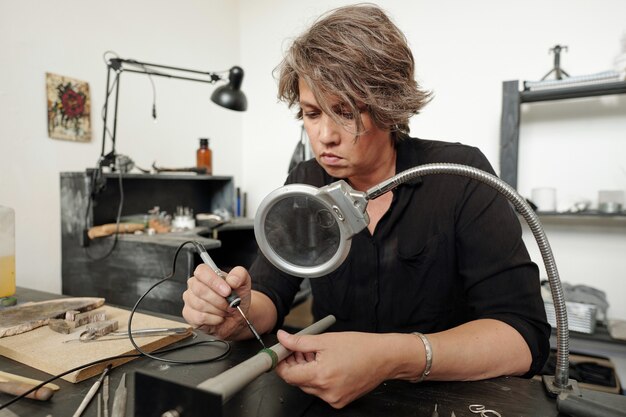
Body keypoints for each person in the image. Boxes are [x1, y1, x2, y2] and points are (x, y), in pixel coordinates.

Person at [183, 3, 550, 409]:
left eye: (345, 112)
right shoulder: (306, 183)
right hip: (330, 398)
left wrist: (391, 358)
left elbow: (523, 337)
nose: (324, 136)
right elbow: (271, 293)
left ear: (388, 105)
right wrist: (241, 313)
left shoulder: (459, 176)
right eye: (311, 113)